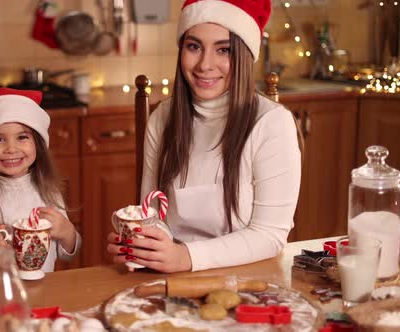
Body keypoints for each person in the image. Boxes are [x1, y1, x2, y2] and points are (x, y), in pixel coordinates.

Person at [107, 0, 301, 273]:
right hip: (172, 278)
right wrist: (141, 244)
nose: (204, 65)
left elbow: (269, 234)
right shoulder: (162, 119)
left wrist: (185, 256)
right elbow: (151, 214)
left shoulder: (272, 124)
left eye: (224, 50)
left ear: (244, 56)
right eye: (194, 46)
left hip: (250, 278)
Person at [0, 87, 81, 280]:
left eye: (22, 137)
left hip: (45, 291)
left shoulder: (48, 192)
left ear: (38, 144)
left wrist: (68, 232)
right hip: (2, 298)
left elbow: (67, 253)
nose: (11, 148)